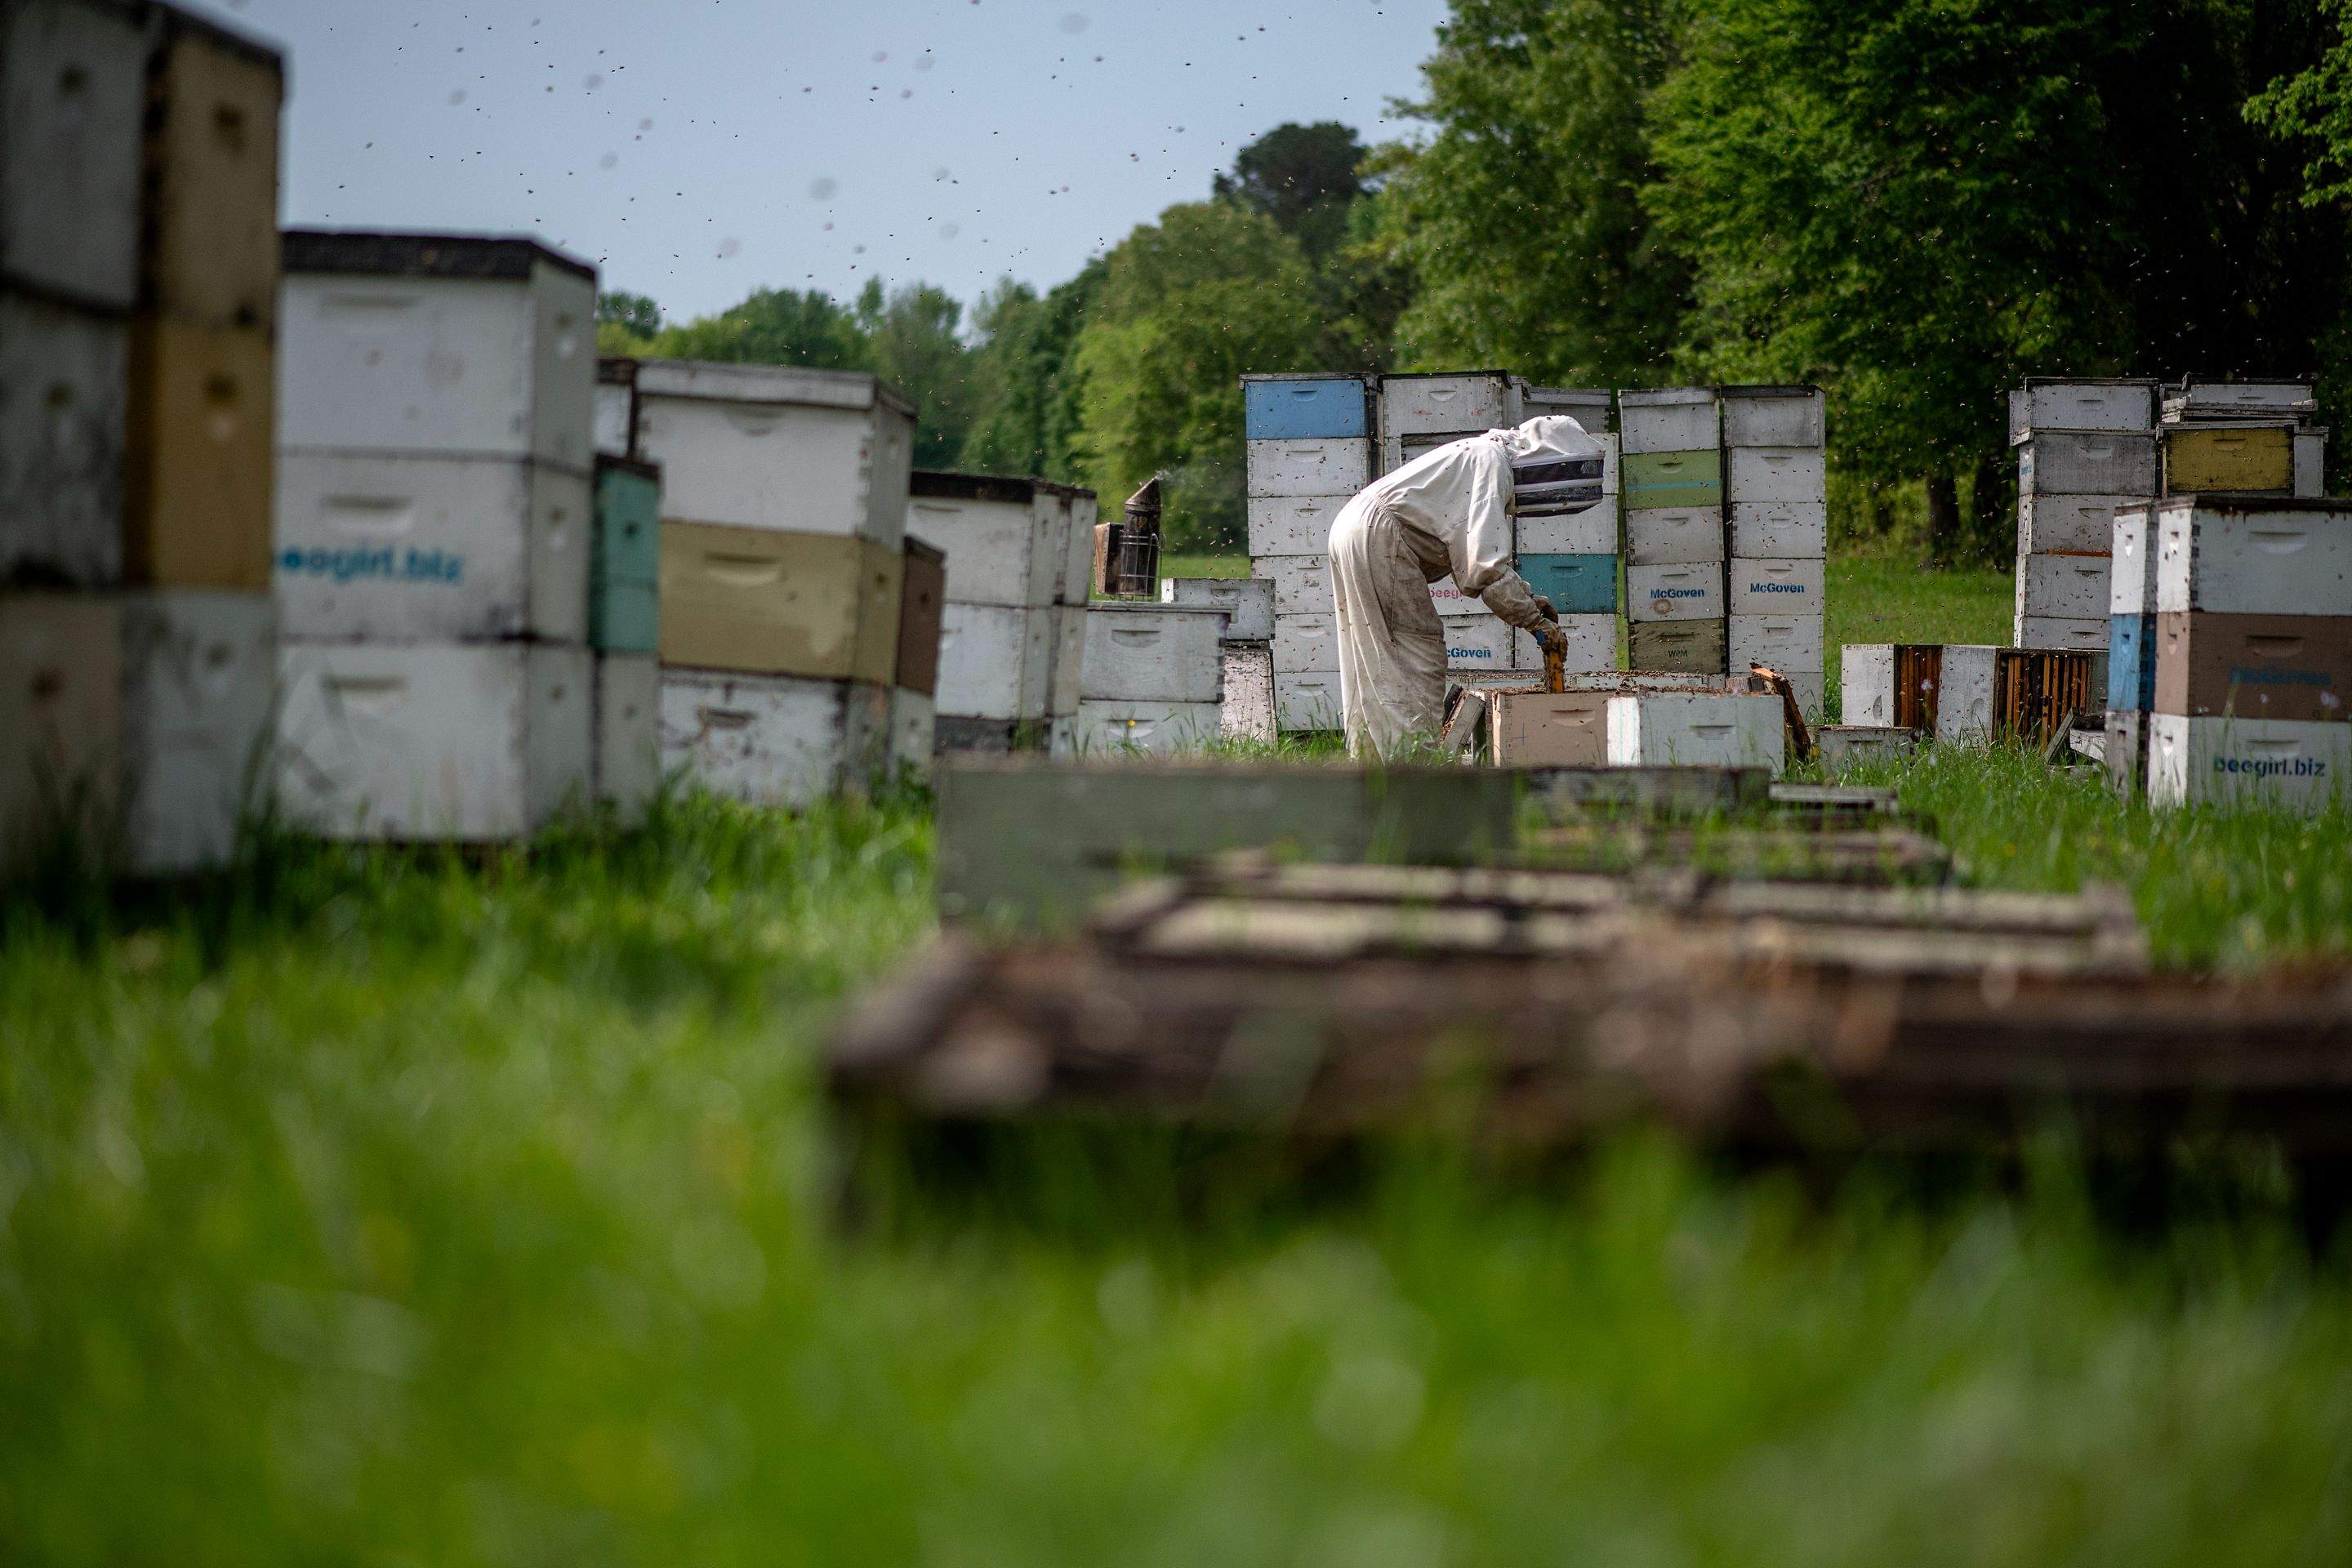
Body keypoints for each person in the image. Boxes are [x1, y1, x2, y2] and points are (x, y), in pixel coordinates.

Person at [1329, 415, 1606, 755]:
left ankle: (1371, 771)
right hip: (1380, 536)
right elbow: (1485, 570)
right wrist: (1536, 623)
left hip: (1358, 528)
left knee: (1373, 659)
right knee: (1414, 652)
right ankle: (1414, 771)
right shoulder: (1492, 463)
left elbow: (1476, 552)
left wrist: (1529, 600)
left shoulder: (1484, 454)